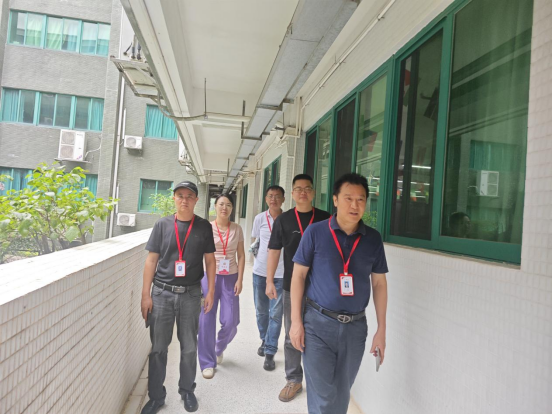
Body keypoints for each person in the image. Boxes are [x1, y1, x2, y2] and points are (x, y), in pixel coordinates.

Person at [290, 173, 389, 414]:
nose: (355, 205)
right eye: (348, 198)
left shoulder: (373, 239)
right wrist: (295, 322)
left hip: (355, 328)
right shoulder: (315, 232)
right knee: (323, 393)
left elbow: (379, 284)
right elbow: (298, 276)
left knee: (342, 392)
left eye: (361, 199)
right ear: (335, 200)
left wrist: (381, 330)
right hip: (318, 324)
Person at [141, 181, 216, 414]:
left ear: (196, 200)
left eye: (189, 196)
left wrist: (211, 291)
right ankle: (156, 397)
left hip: (191, 294)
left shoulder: (203, 226)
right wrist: (145, 295)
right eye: (180, 195)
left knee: (189, 347)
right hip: (161, 293)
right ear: (174, 198)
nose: (185, 199)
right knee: (158, 348)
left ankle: (187, 391)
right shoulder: (162, 225)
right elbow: (151, 260)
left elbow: (210, 261)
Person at [266, 173, 330, 402]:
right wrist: (269, 280)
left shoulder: (325, 219)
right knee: (292, 332)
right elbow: (274, 251)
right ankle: (293, 379)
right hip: (291, 287)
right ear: (292, 193)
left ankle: (318, 378)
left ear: (313, 192)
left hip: (321, 288)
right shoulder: (283, 220)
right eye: (298, 189)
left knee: (319, 334)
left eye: (307, 188)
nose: (303, 192)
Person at [198, 193, 245, 379]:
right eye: (221, 204)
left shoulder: (237, 229)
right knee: (206, 319)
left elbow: (241, 255)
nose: (224, 208)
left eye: (228, 205)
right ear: (215, 206)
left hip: (230, 277)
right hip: (209, 276)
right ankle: (207, 362)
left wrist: (240, 279)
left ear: (232, 208)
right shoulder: (206, 228)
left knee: (231, 321)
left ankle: (218, 347)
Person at [251, 185, 286, 371]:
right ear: (266, 199)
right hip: (260, 273)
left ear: (283, 199)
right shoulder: (259, 218)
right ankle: (264, 339)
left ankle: (270, 351)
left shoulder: (288, 219)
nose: (274, 199)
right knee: (261, 311)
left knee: (275, 314)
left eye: (277, 196)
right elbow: (255, 241)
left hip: (281, 273)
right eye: (270, 196)